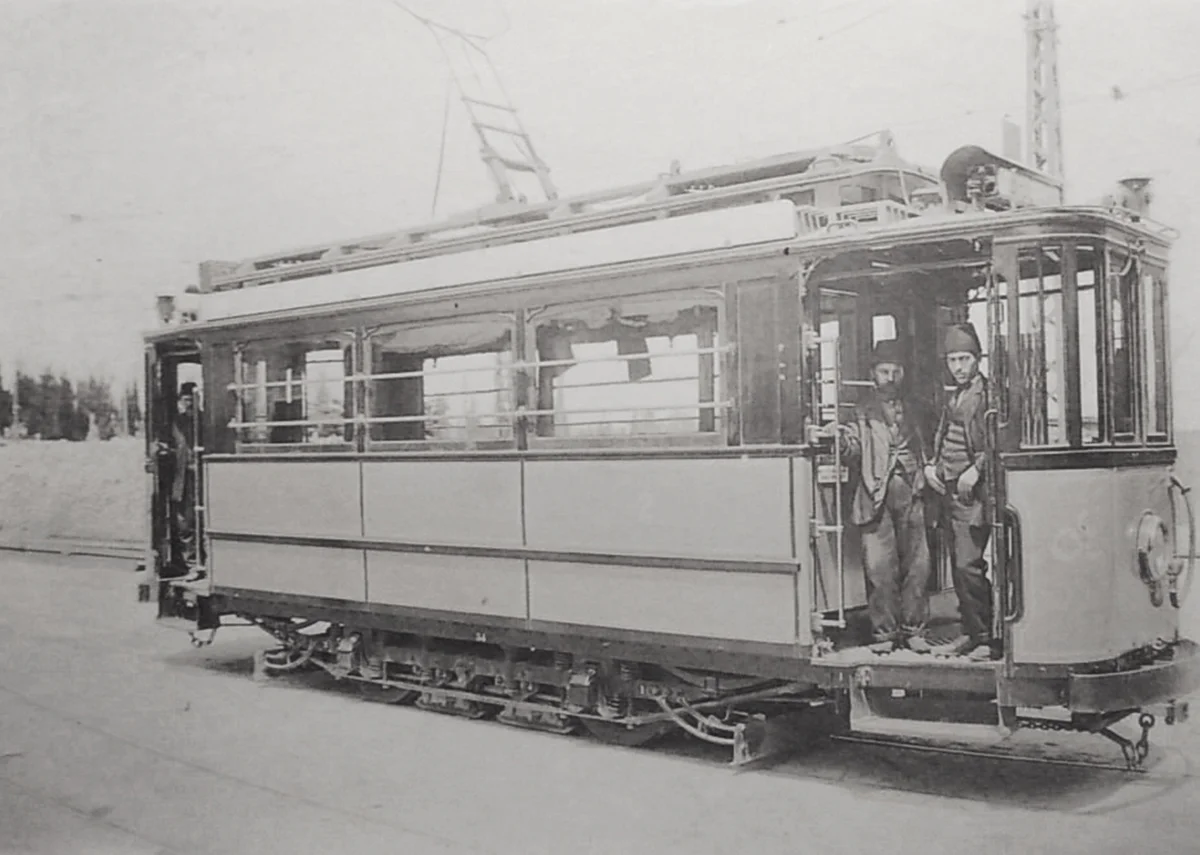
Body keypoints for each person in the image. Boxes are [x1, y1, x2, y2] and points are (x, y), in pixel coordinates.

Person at [829, 339, 934, 654]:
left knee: (918, 567)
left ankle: (914, 631)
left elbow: (931, 442)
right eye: (884, 371)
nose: (890, 377)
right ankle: (885, 634)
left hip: (913, 493)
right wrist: (838, 439)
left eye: (895, 371)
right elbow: (853, 447)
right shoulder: (860, 412)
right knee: (879, 569)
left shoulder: (917, 408)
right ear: (873, 374)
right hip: (875, 497)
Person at [926, 323, 997, 662]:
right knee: (958, 566)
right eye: (952, 359)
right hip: (949, 493)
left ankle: (987, 638)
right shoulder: (954, 395)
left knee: (969, 566)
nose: (958, 366)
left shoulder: (987, 395)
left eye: (964, 359)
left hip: (974, 496)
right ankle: (971, 633)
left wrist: (976, 469)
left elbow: (997, 439)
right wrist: (932, 466)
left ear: (977, 359)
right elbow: (944, 437)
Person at [169, 382, 200, 573]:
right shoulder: (176, 422)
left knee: (198, 517)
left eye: (192, 400)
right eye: (185, 400)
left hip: (199, 475)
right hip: (182, 476)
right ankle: (188, 559)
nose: (189, 404)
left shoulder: (203, 420)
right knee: (183, 520)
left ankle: (197, 559)